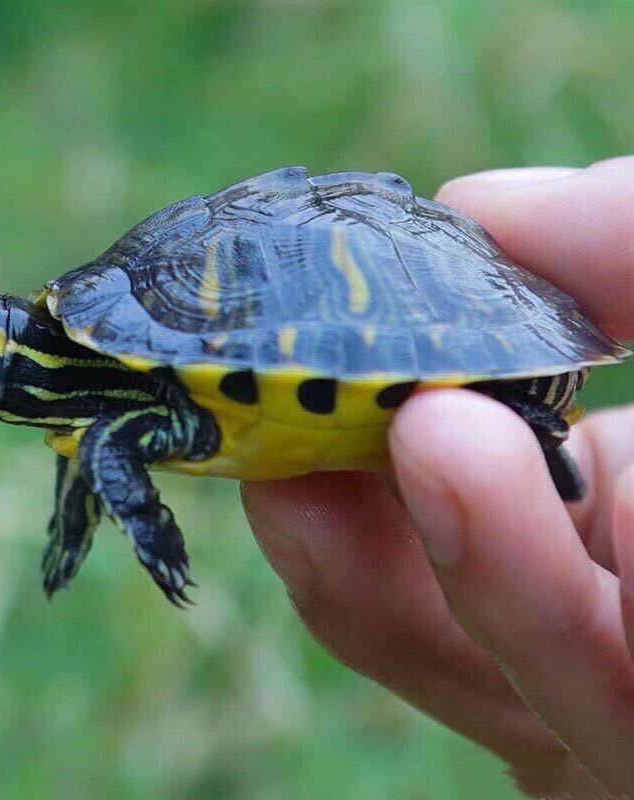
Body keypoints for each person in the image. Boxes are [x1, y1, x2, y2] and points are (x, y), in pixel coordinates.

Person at [243, 157, 634, 799]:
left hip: (478, 348)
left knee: (467, 439)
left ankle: (523, 417)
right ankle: (525, 420)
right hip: (477, 371)